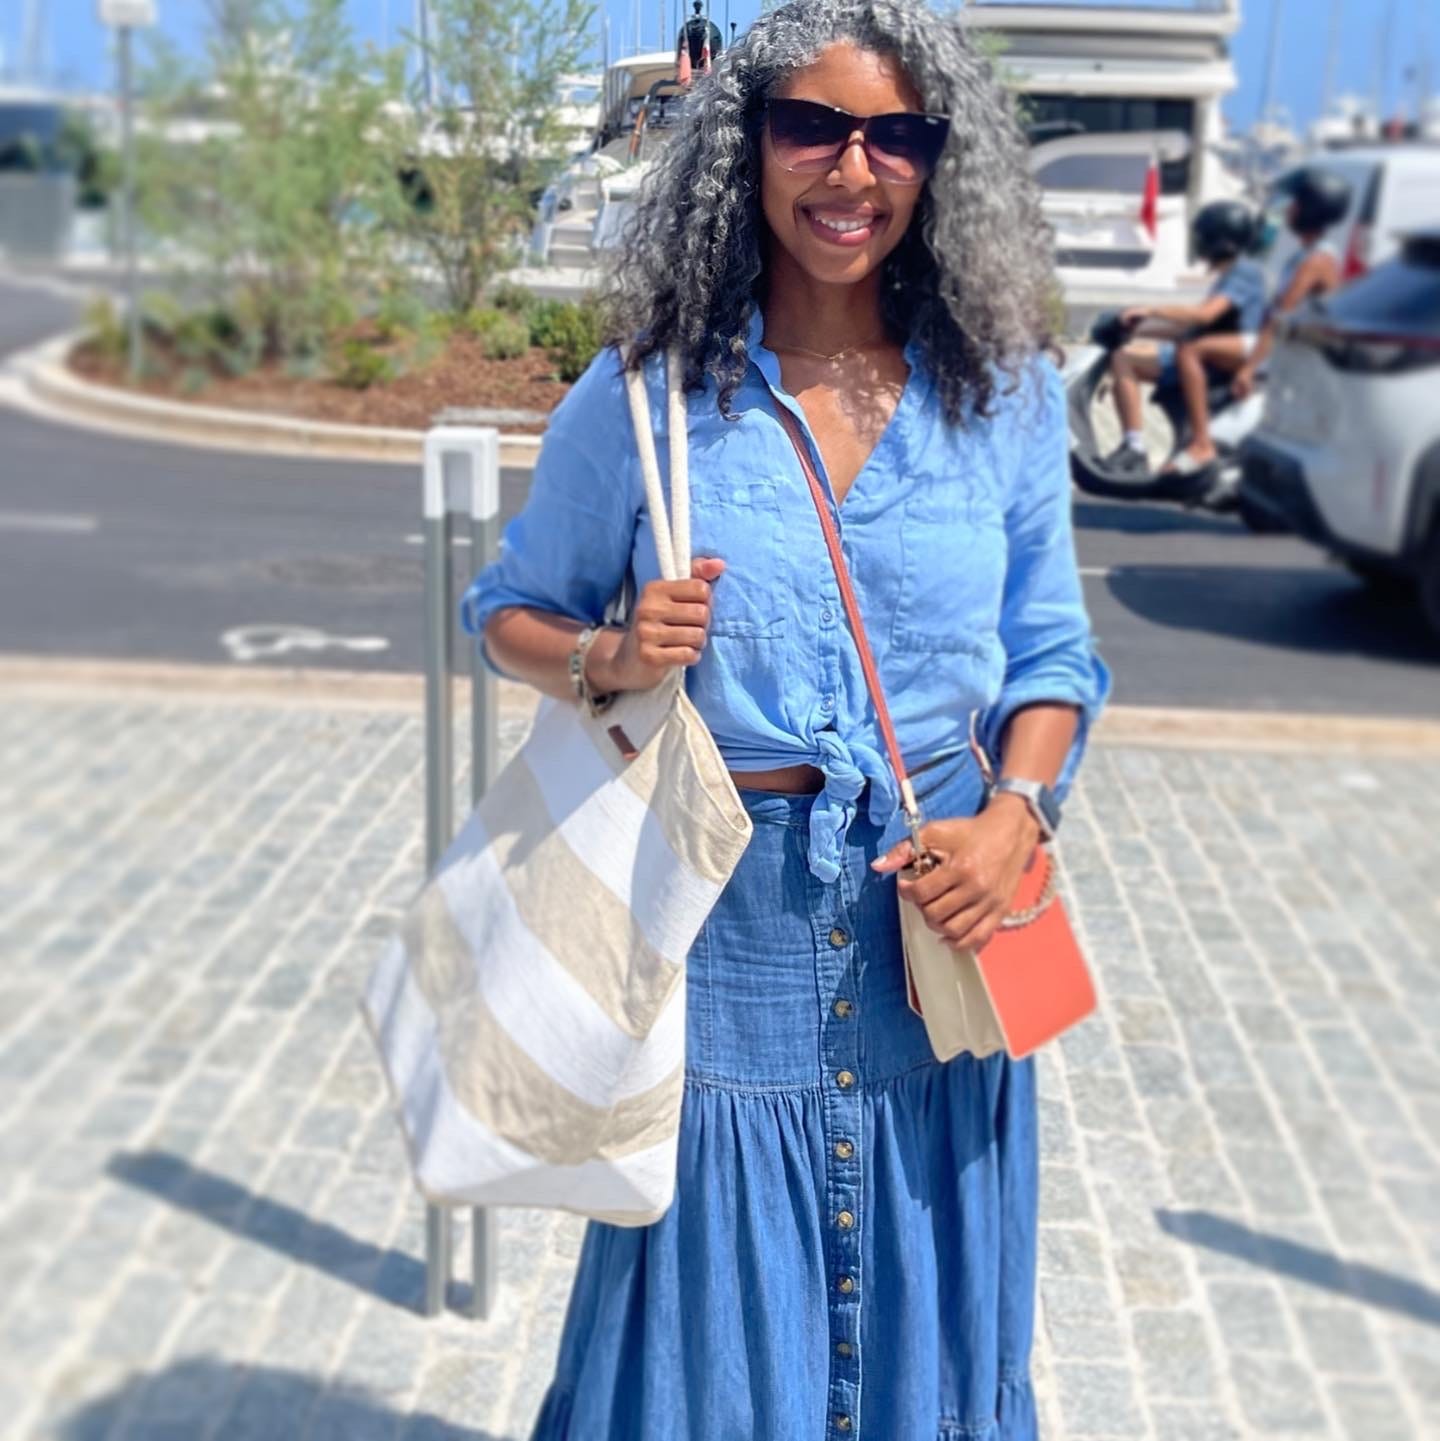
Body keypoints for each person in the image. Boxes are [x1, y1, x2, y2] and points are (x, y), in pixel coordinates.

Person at [460, 1, 1110, 1435]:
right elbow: (505, 607)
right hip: (722, 923)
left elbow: (1054, 660)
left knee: (924, 1307)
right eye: (811, 126)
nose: (851, 171)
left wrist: (1018, 817)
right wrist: (613, 652)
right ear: (748, 147)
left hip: (942, 920)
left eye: (894, 136)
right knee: (708, 1333)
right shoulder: (653, 394)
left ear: (939, 165)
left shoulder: (998, 397)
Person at [1104, 199, 1268, 477]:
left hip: (1242, 349)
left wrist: (1153, 309)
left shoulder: (1243, 272)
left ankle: (1198, 443)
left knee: (1187, 351)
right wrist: (1137, 329)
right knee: (1121, 356)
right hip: (1218, 346)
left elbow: (1204, 316)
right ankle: (1134, 446)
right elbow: (1193, 327)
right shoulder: (1230, 274)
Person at [1231, 166, 1353, 399]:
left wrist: (1249, 368)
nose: (1288, 210)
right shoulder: (1306, 254)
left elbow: (1281, 316)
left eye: (1295, 204)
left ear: (1309, 210)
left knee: (1196, 350)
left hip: (1296, 355)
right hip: (1289, 347)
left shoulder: (1316, 260)